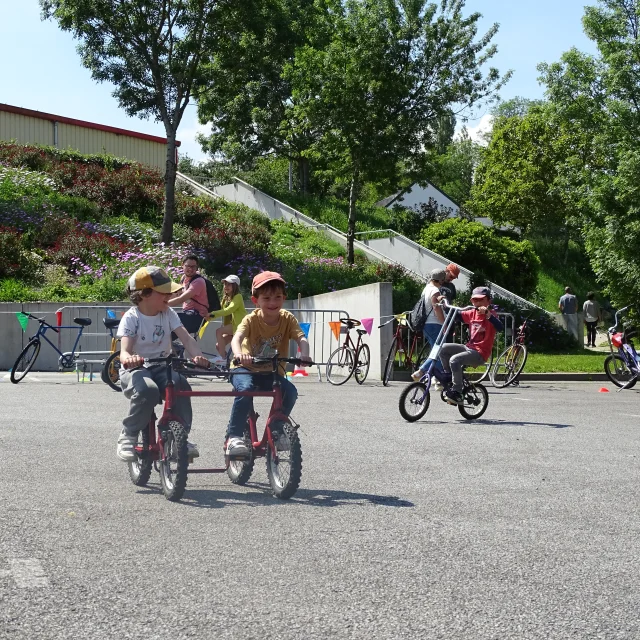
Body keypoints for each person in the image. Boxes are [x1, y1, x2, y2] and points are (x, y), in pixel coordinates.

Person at [116, 266, 210, 462]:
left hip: (161, 366)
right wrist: (128, 358)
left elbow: (186, 339)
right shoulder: (132, 317)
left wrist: (198, 357)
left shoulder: (167, 313)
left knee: (181, 384)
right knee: (147, 391)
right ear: (145, 294)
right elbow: (125, 350)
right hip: (136, 369)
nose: (169, 295)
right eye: (164, 292)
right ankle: (129, 435)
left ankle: (181, 438)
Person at [226, 271, 311, 455]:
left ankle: (276, 431)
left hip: (271, 372)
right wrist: (239, 354)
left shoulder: (287, 318)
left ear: (284, 298)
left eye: (277, 297)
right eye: (266, 298)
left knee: (290, 392)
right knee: (245, 390)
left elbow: (301, 338)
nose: (272, 303)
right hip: (244, 368)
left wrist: (305, 355)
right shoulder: (251, 319)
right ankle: (234, 437)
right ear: (256, 300)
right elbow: (236, 338)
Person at [438, 286, 504, 405]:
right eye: (475, 300)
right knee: (442, 349)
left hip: (480, 353)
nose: (477, 303)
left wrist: (488, 314)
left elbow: (500, 327)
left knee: (454, 360)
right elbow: (457, 315)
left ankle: (457, 392)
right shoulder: (472, 313)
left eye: (481, 300)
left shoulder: (492, 315)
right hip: (469, 347)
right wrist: (444, 303)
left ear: (488, 301)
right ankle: (449, 377)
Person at [413, 268, 447, 383]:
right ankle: (421, 371)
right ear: (441, 280)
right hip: (435, 324)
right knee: (439, 352)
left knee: (436, 351)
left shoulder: (426, 289)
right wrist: (444, 324)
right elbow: (436, 307)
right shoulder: (435, 291)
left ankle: (437, 379)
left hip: (427, 324)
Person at [206, 275, 247, 362]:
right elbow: (220, 310)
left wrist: (212, 314)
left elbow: (228, 310)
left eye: (229, 284)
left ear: (235, 286)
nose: (226, 286)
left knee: (219, 331)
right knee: (219, 346)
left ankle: (223, 359)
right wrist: (208, 316)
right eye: (225, 284)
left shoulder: (238, 297)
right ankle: (227, 363)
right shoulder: (226, 298)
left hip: (239, 326)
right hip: (232, 327)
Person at [170, 254, 209, 335]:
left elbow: (181, 299)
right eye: (188, 266)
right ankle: (177, 347)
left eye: (193, 267)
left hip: (197, 318)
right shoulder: (184, 278)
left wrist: (161, 305)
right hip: (187, 314)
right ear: (182, 265)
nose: (190, 269)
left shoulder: (198, 282)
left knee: (167, 326)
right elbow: (176, 294)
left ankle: (176, 346)